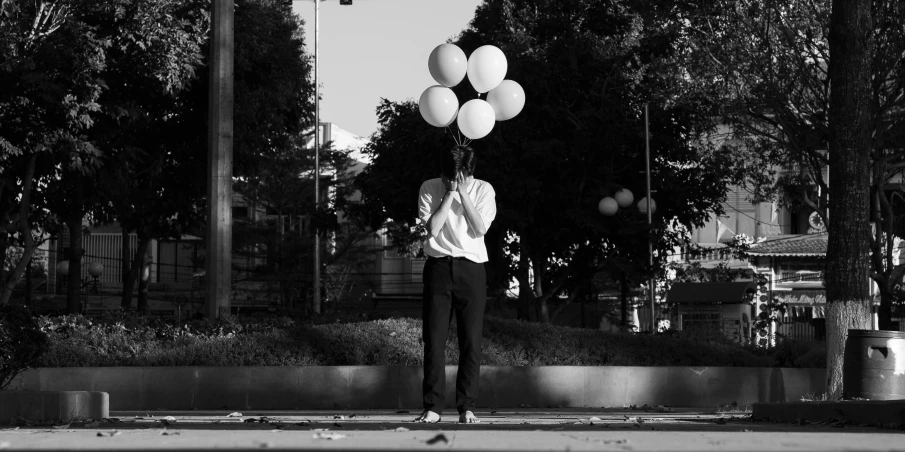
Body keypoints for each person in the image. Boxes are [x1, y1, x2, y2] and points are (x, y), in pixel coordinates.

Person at [413, 144, 496, 424]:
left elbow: (480, 228)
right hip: (438, 267)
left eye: (464, 176)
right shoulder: (429, 187)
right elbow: (433, 228)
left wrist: (464, 193)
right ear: (443, 172)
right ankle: (433, 408)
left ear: (471, 171)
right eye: (453, 177)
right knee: (434, 340)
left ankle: (467, 408)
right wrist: (449, 193)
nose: (460, 181)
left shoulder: (484, 189)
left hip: (472, 269)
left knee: (471, 341)